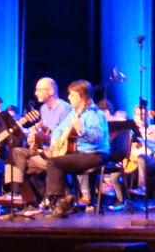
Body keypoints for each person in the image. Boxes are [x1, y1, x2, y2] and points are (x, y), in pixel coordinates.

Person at [1, 78, 71, 210]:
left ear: (50, 91)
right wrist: (31, 135)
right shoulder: (44, 109)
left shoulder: (64, 109)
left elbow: (65, 139)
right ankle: (19, 196)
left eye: (39, 89)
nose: (35, 93)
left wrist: (43, 137)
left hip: (57, 155)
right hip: (42, 151)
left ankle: (32, 201)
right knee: (15, 153)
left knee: (21, 165)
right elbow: (43, 129)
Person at [45, 80, 111, 218]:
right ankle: (66, 197)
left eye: (72, 95)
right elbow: (58, 129)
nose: (68, 98)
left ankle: (61, 202)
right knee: (53, 161)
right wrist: (55, 141)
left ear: (82, 98)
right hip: (80, 153)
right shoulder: (74, 113)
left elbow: (97, 137)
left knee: (54, 163)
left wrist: (82, 129)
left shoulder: (95, 113)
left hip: (96, 154)